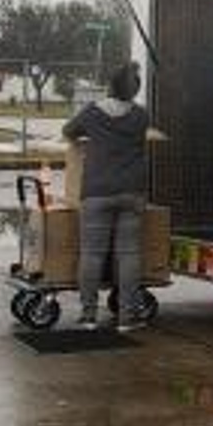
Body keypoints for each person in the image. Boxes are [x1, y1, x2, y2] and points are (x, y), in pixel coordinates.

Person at [62, 63, 152, 332]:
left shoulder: (92, 112)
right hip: (131, 192)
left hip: (97, 192)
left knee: (91, 254)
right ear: (134, 90)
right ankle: (127, 318)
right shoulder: (141, 116)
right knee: (128, 255)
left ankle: (88, 315)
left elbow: (69, 131)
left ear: (110, 85)